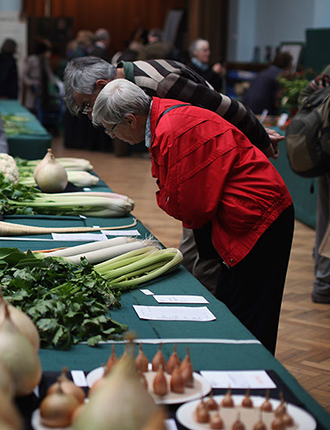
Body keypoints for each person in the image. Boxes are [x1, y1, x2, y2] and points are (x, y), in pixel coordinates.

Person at [93, 79, 294, 354]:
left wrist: (166, 196)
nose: (111, 136)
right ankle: (234, 364)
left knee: (252, 312)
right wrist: (168, 195)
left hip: (261, 217)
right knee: (235, 305)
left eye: (110, 129)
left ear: (131, 120)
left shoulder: (172, 129)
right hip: (247, 213)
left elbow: (191, 207)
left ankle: (251, 375)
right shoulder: (163, 120)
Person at [63, 56, 284, 294]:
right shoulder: (137, 99)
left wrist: (261, 138)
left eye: (86, 104)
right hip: (205, 173)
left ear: (101, 84)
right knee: (194, 252)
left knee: (205, 256)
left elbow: (224, 107)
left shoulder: (162, 86)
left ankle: (203, 299)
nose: (88, 113)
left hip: (229, 185)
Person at [300, 65, 330, 304]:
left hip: (324, 154)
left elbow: (305, 95)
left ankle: (322, 278)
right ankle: (324, 282)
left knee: (325, 217)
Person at [21, 40, 56, 115]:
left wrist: (54, 83)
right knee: (32, 105)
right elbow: (24, 74)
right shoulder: (32, 59)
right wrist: (30, 83)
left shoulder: (44, 60)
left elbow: (49, 72)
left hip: (42, 85)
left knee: (41, 105)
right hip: (33, 84)